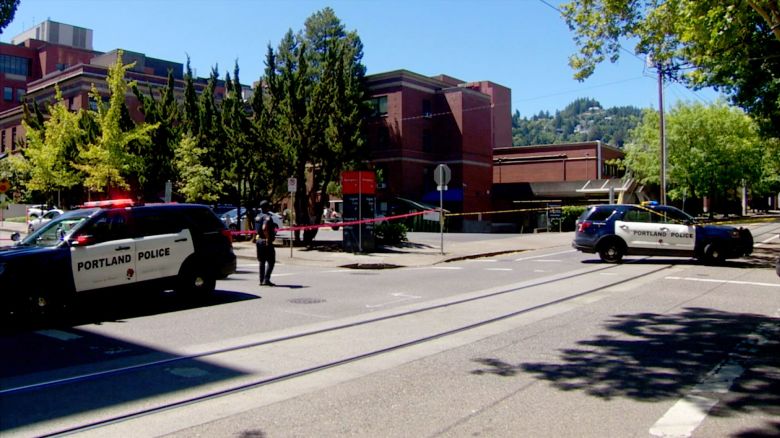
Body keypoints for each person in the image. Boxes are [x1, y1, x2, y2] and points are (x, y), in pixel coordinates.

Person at [255, 200, 277, 286]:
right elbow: (264, 228)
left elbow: (257, 228)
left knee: (262, 261)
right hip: (265, 241)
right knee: (271, 261)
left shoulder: (257, 217)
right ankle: (266, 279)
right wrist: (268, 238)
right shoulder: (267, 217)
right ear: (267, 207)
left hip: (258, 240)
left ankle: (261, 280)